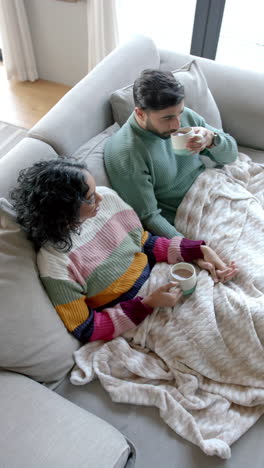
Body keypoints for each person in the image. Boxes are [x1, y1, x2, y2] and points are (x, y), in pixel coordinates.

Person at [10, 159, 238, 343]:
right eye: (90, 198)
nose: (100, 196)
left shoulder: (107, 199)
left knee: (236, 305)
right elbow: (85, 329)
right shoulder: (55, 263)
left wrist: (198, 251)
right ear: (63, 211)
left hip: (165, 281)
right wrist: (148, 303)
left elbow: (145, 244)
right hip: (138, 315)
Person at [104, 69, 238, 238]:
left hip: (216, 190)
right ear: (140, 113)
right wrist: (189, 248)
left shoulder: (185, 117)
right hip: (188, 214)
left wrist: (212, 139)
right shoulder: (126, 153)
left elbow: (231, 156)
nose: (177, 124)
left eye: (179, 113)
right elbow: (149, 217)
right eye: (167, 118)